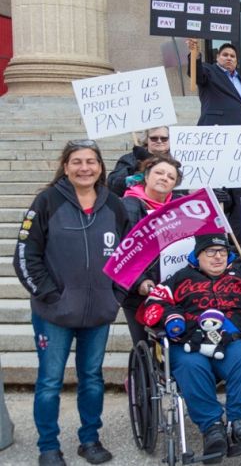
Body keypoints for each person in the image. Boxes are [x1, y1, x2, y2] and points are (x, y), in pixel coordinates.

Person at [14, 140, 130, 466]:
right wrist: (51, 294)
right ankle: (48, 446)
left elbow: (129, 256)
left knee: (92, 378)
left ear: (100, 167)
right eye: (76, 162)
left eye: (91, 161)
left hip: (98, 314)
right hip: (54, 313)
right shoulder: (47, 201)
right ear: (65, 167)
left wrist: (115, 295)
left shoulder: (115, 205)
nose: (84, 168)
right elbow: (26, 255)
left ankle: (90, 439)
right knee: (50, 381)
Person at [139, 234, 241, 460]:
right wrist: (173, 316)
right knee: (191, 365)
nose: (217, 257)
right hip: (189, 342)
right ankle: (212, 428)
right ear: (198, 255)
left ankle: (239, 424)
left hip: (232, 340)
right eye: (210, 252)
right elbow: (153, 304)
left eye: (222, 252)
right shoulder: (180, 278)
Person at [121, 154, 182, 348]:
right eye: (159, 173)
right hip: (140, 291)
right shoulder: (128, 206)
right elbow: (123, 250)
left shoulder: (180, 206)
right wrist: (140, 281)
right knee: (145, 344)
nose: (164, 178)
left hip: (174, 289)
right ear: (146, 177)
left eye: (171, 177)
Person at [106, 126, 170, 196]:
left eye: (164, 138)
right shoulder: (130, 158)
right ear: (146, 139)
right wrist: (139, 177)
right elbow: (113, 184)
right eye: (154, 138)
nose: (159, 141)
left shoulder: (178, 158)